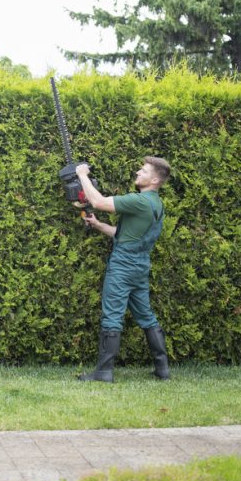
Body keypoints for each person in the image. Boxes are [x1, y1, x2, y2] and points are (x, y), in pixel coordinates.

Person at [74, 157, 171, 383]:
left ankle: (104, 372)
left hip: (123, 265)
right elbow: (125, 234)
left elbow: (98, 202)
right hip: (140, 264)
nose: (138, 172)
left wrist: (82, 175)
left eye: (143, 170)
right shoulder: (157, 204)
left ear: (154, 179)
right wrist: (99, 225)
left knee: (112, 316)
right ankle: (162, 369)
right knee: (146, 315)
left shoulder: (139, 201)